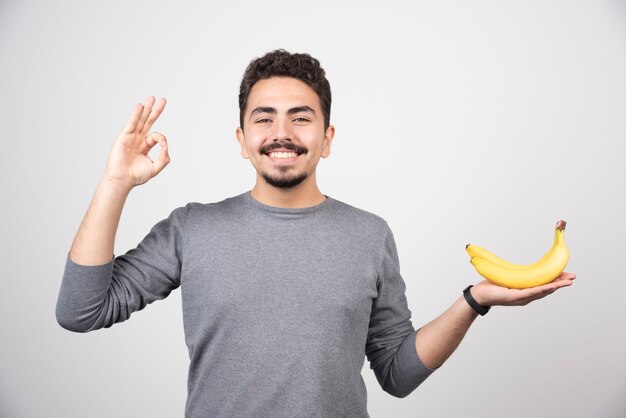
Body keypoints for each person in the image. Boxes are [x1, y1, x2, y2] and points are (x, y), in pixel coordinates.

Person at [56, 49, 576, 417]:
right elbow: (81, 311)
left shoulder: (369, 235)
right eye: (264, 119)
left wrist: (474, 300)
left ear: (326, 139)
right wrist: (116, 182)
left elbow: (397, 375)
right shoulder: (191, 228)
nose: (281, 133)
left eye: (300, 118)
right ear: (242, 139)